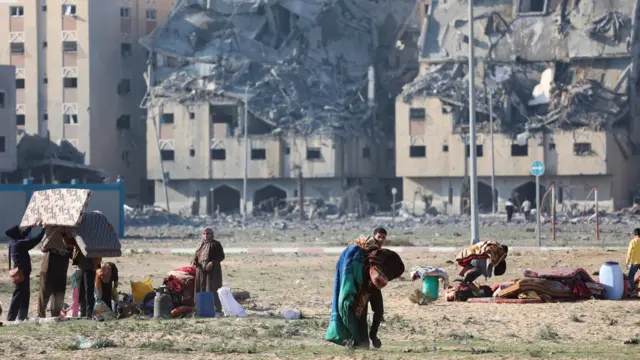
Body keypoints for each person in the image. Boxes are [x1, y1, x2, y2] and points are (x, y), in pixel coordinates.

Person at [326, 245, 405, 349]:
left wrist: (373, 335)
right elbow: (347, 305)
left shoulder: (374, 281)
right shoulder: (356, 272)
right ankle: (353, 339)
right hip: (358, 292)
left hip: (366, 292)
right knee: (352, 310)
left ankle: (359, 339)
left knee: (363, 338)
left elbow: (378, 310)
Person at [6, 220, 45, 321]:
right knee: (18, 296)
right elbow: (35, 240)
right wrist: (44, 229)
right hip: (22, 273)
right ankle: (11, 318)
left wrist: (31, 226)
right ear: (16, 234)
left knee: (24, 295)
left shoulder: (13, 242)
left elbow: (23, 234)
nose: (21, 232)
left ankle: (22, 316)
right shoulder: (19, 244)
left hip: (22, 272)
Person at [37, 229, 74, 318]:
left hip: (61, 271)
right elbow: (43, 248)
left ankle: (55, 316)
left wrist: (65, 244)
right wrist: (51, 240)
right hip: (48, 270)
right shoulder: (52, 234)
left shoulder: (70, 238)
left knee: (58, 296)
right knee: (44, 295)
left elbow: (73, 255)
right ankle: (41, 316)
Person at [192, 228, 225, 314]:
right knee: (200, 288)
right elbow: (196, 255)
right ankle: (200, 308)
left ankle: (217, 308)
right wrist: (194, 261)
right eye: (204, 234)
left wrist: (212, 262)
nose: (206, 236)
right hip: (200, 271)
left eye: (208, 234)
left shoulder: (216, 244)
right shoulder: (200, 244)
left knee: (212, 288)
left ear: (211, 234)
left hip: (212, 272)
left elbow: (221, 256)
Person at [72, 245, 101, 318]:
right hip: (79, 269)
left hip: (90, 269)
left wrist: (96, 267)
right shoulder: (77, 239)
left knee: (89, 293)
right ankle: (83, 313)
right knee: (80, 293)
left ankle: (89, 314)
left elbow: (98, 255)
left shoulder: (92, 240)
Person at [626, 228, 640, 296]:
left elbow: (629, 253)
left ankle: (634, 290)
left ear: (635, 234)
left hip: (635, 262)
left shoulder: (633, 241)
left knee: (630, 277)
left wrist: (627, 262)